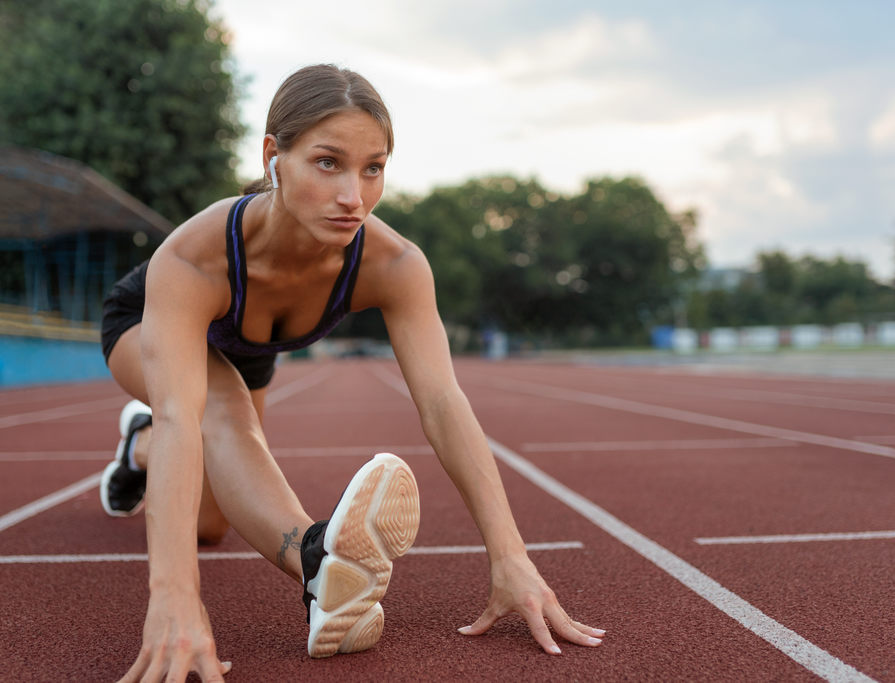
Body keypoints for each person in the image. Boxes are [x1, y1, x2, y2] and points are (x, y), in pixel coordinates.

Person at [98, 64, 604, 682]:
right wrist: (174, 598)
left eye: (374, 168)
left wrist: (511, 556)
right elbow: (184, 414)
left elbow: (443, 402)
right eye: (328, 162)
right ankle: (318, 562)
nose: (353, 197)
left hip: (251, 347)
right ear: (272, 156)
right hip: (144, 323)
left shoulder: (394, 264)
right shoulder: (190, 258)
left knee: (210, 524)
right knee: (216, 412)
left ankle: (137, 446)